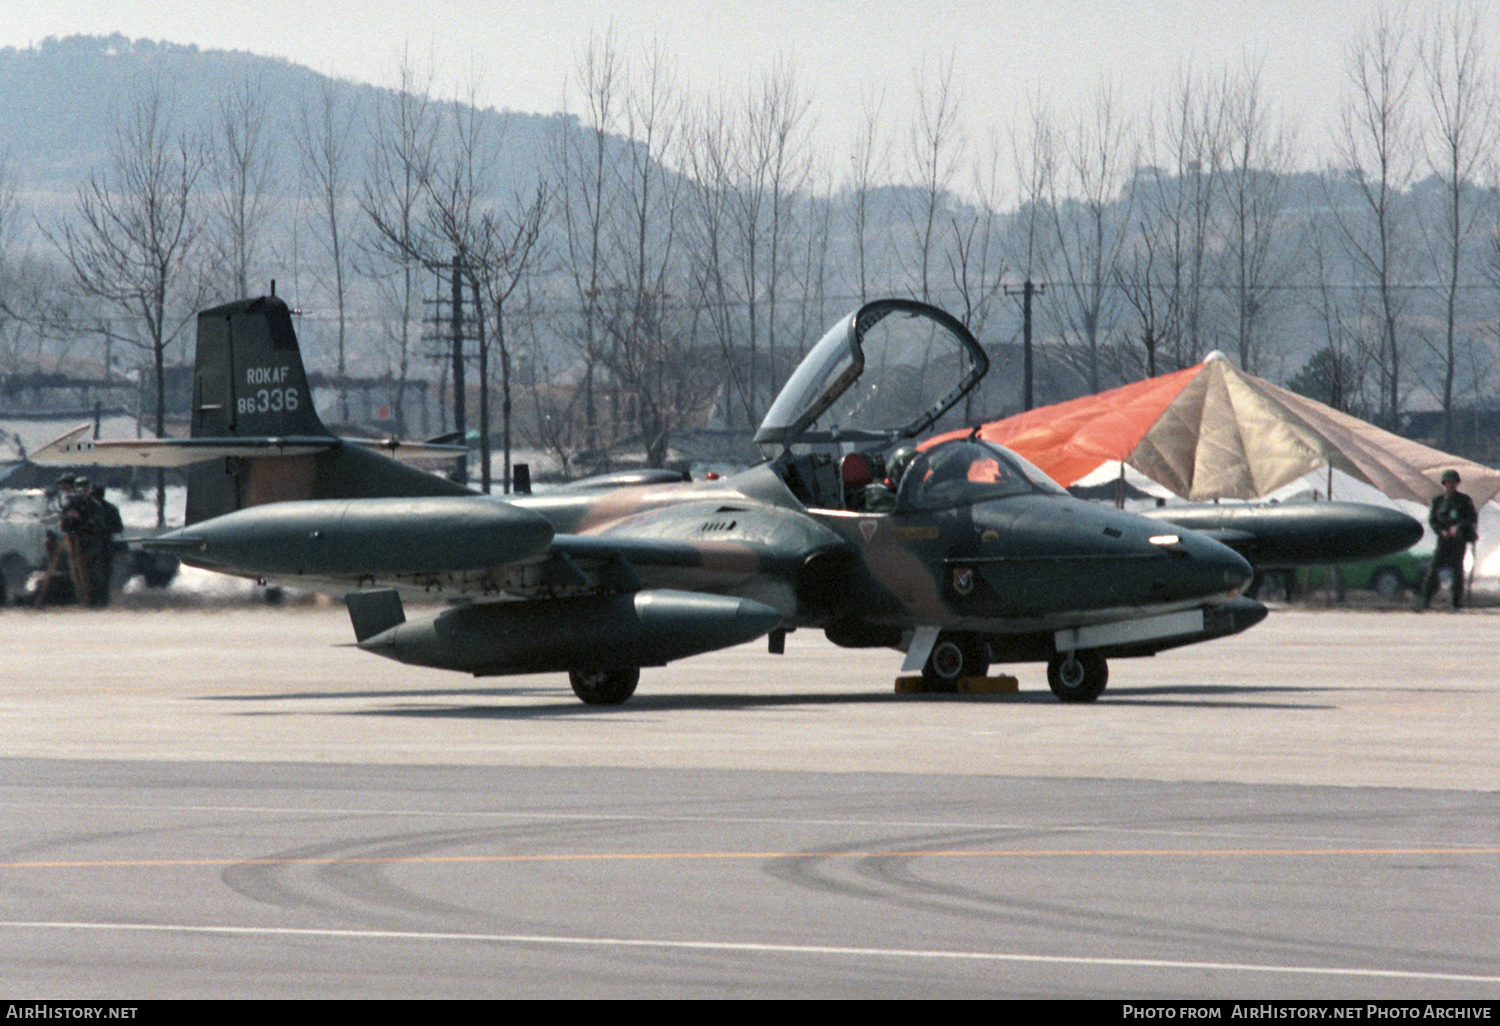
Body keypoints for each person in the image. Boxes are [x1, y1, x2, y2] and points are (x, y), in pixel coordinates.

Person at [1419, 469, 1478, 610]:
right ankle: (1426, 600)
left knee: (1457, 571)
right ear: (1444, 484)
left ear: (1457, 483)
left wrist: (1459, 526)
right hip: (1443, 541)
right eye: (1448, 482)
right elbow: (1433, 520)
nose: (1451, 485)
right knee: (1434, 569)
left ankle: (1456, 602)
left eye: (1453, 482)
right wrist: (1441, 530)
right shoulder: (1438, 500)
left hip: (1458, 540)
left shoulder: (1464, 500)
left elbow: (1472, 517)